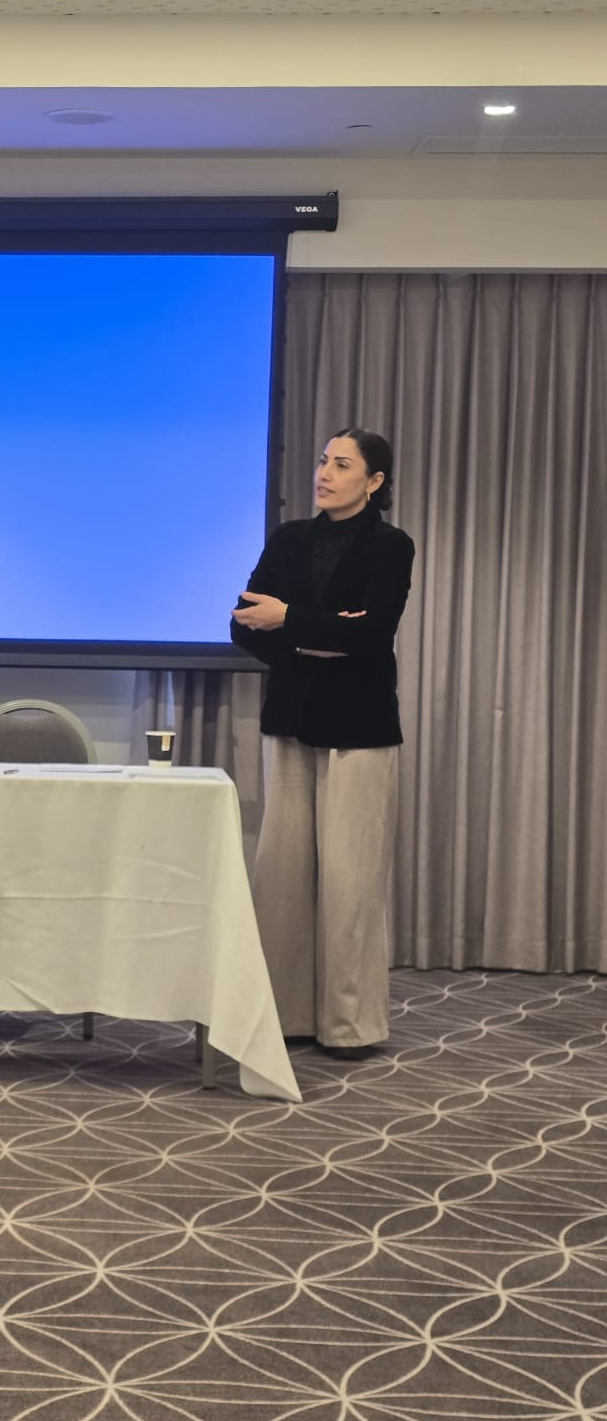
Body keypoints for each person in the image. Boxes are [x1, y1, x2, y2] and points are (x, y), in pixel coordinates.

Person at [231, 428, 415, 1060]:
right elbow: (242, 624)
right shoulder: (288, 539)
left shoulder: (391, 546)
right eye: (322, 461)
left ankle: (349, 1025)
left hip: (359, 728)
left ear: (374, 482)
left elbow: (373, 635)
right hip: (290, 718)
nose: (324, 473)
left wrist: (288, 619)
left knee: (350, 880)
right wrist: (322, 635)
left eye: (342, 465)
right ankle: (284, 1015)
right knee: (282, 876)